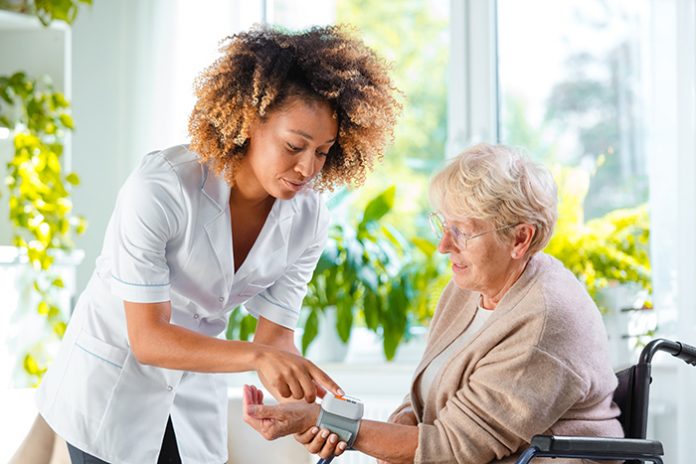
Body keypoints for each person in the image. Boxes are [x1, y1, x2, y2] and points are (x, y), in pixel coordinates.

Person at [36, 25, 400, 464]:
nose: (307, 168)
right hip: (112, 386)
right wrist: (258, 357)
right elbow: (148, 338)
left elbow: (276, 338)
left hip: (193, 388)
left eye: (323, 152)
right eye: (294, 145)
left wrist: (301, 404)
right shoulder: (163, 187)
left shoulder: (309, 218)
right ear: (250, 120)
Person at [241, 143, 623, 463]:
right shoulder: (468, 289)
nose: (444, 246)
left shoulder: (543, 319)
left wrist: (334, 424)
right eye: (444, 226)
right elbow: (422, 404)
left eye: (463, 232)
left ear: (521, 238)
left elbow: (455, 447)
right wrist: (331, 423)